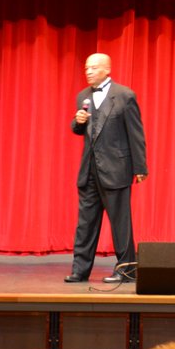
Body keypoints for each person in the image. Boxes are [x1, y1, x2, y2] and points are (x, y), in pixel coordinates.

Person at [64, 52, 147, 283]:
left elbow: (135, 133)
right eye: (86, 68)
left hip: (116, 168)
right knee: (86, 222)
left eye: (93, 68)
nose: (88, 71)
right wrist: (77, 122)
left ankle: (127, 270)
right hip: (89, 170)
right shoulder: (83, 96)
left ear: (106, 70)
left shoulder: (124, 96)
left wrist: (140, 167)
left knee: (120, 221)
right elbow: (80, 129)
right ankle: (80, 270)